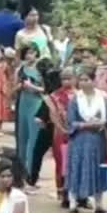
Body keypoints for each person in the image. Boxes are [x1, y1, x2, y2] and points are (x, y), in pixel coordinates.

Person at [66, 69, 107, 213]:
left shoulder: (103, 98)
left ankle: (99, 205)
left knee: (97, 170)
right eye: (81, 80)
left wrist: (102, 123)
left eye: (87, 79)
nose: (84, 83)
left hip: (98, 140)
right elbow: (71, 121)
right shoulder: (75, 99)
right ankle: (73, 205)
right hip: (80, 140)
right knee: (76, 169)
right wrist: (85, 125)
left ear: (94, 80)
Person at [14, 47, 48, 193]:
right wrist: (20, 86)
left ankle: (30, 176)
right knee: (22, 138)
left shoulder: (41, 69)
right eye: (27, 53)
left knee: (33, 141)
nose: (30, 56)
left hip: (36, 103)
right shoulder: (20, 69)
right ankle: (19, 174)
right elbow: (13, 88)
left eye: (33, 53)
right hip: (23, 103)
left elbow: (46, 89)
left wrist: (32, 86)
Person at [45, 68, 76, 206]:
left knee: (76, 164)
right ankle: (63, 193)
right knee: (62, 163)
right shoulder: (54, 96)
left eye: (69, 78)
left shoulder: (80, 95)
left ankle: (78, 195)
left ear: (75, 78)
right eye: (64, 78)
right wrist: (63, 128)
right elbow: (52, 116)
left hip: (78, 134)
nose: (66, 81)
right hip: (60, 134)